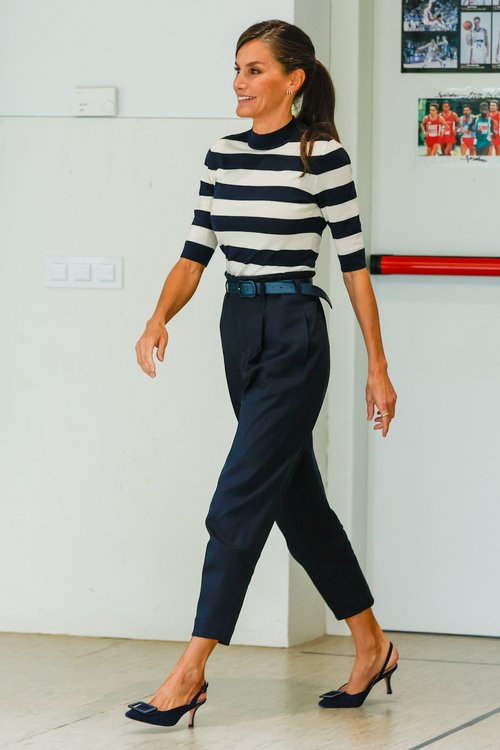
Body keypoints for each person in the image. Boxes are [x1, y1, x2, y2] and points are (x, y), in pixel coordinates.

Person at [127, 19, 399, 729]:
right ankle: (372, 645)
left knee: (238, 499)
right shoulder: (221, 152)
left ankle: (190, 672)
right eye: (237, 70)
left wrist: (379, 366)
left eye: (254, 70)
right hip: (237, 329)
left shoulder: (323, 155)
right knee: (297, 504)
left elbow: (355, 267)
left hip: (295, 333)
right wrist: (160, 318)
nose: (240, 83)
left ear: (293, 78)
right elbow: (194, 253)